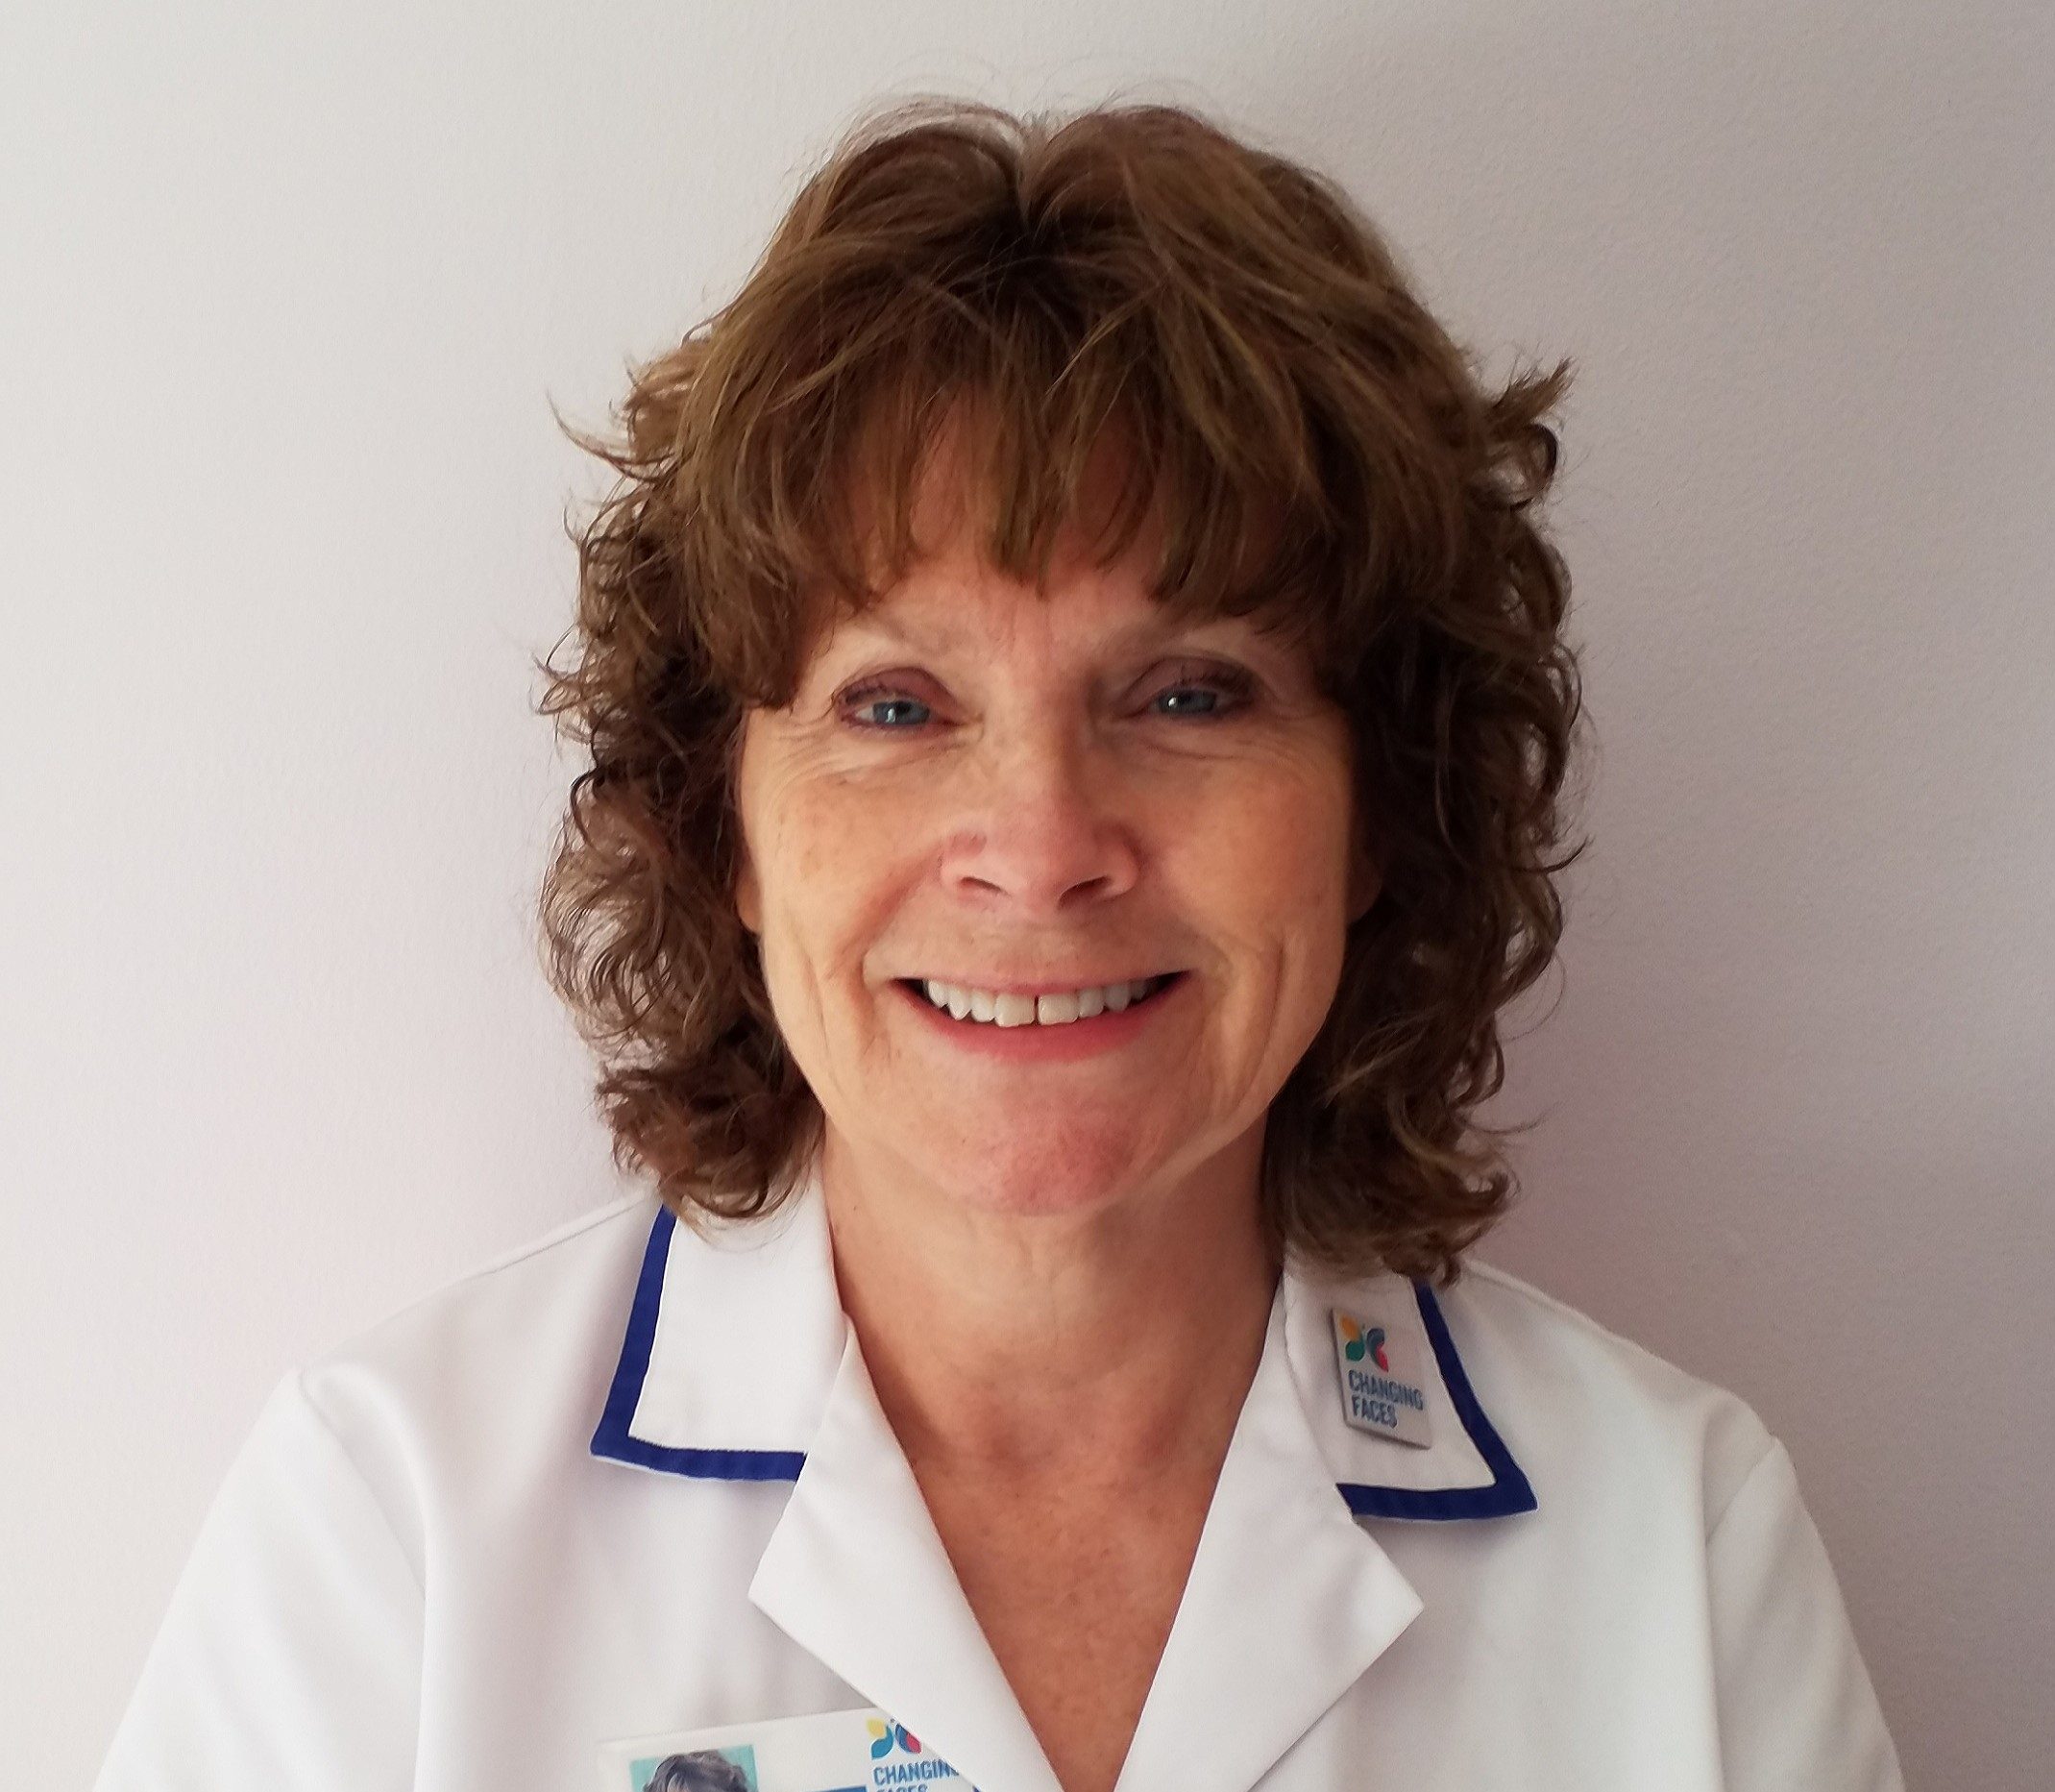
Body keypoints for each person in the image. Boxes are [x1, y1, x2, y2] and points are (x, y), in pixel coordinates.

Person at [93, 95, 1905, 1792]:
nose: (1041, 850)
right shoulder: (399, 1528)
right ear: (724, 821)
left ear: (1381, 806)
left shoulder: (1679, 1549)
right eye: (895, 705)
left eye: (1190, 690)